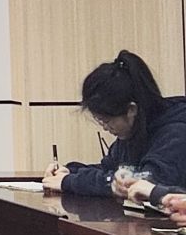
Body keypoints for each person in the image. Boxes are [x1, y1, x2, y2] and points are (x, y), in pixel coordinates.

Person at [41, 50, 186, 205]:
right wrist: (70, 171)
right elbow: (108, 170)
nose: (105, 128)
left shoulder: (176, 132)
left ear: (131, 110)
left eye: (107, 120)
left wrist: (70, 182)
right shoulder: (133, 131)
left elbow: (144, 182)